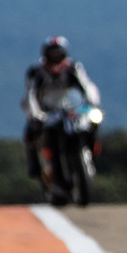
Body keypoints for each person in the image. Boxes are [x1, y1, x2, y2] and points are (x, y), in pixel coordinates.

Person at [22, 35, 100, 188]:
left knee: (93, 124)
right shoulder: (36, 72)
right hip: (46, 112)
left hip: (72, 110)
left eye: (58, 53)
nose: (55, 58)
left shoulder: (73, 68)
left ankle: (91, 153)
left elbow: (88, 87)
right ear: (45, 54)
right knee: (31, 132)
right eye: (52, 54)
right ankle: (34, 164)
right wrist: (36, 114)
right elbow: (30, 96)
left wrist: (93, 104)